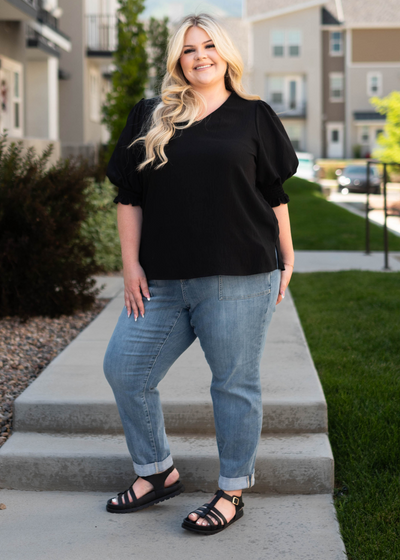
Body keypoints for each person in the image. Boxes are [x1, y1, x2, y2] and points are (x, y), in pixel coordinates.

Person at [103, 13, 298, 535]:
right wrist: (130, 265)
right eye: (189, 49)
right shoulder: (152, 114)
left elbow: (273, 194)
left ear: (226, 54)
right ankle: (157, 471)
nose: (200, 56)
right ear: (177, 60)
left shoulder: (254, 115)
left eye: (209, 45)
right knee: (125, 369)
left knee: (234, 385)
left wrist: (288, 257)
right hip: (163, 281)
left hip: (238, 277)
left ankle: (232, 490)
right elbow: (129, 196)